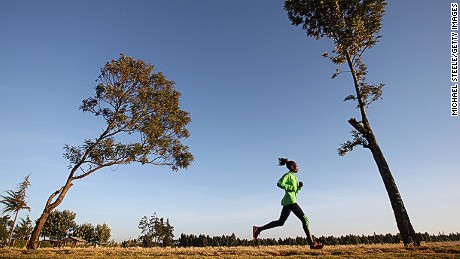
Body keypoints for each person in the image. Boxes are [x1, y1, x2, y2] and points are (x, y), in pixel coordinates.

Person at [253, 158, 324, 249]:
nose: (298, 167)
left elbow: (294, 191)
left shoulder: (294, 177)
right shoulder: (288, 175)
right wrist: (291, 187)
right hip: (291, 201)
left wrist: (299, 187)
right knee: (305, 219)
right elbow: (279, 183)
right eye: (297, 166)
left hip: (290, 201)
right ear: (292, 167)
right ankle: (312, 244)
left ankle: (258, 229)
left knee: (280, 222)